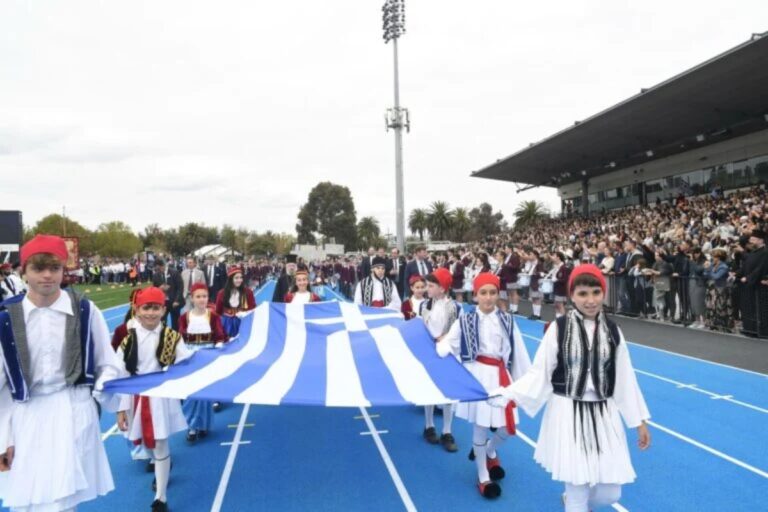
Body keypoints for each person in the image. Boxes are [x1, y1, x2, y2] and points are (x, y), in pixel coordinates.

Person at [491, 264, 651, 512]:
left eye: (596, 292)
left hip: (604, 413)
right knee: (577, 489)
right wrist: (508, 394)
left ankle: (575, 502)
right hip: (568, 412)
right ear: (572, 295)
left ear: (603, 293)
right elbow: (540, 372)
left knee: (611, 493)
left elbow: (624, 378)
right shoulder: (559, 327)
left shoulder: (613, 330)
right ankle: (574, 503)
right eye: (583, 294)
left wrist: (638, 420)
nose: (590, 300)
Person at [0, 234, 124, 511]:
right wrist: (3, 439)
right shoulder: (7, 318)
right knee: (27, 503)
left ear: (63, 271)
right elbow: (3, 385)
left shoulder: (84, 309)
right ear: (24, 272)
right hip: (26, 416)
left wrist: (105, 387)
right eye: (38, 268)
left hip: (72, 408)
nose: (47, 276)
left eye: (54, 268)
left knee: (63, 503)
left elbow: (107, 363)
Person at [434, 272, 531, 499]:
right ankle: (482, 474)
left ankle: (488, 450)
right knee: (480, 426)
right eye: (483, 293)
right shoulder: (465, 320)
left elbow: (518, 353)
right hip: (478, 378)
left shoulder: (507, 320)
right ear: (475, 295)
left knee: (507, 427)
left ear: (498, 294)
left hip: (501, 377)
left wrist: (524, 384)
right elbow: (446, 347)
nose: (488, 298)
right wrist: (442, 343)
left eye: (493, 293)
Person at [116, 286, 193, 512]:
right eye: (146, 308)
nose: (150, 313)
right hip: (134, 397)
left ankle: (161, 497)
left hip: (160, 398)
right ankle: (162, 464)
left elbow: (186, 364)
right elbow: (120, 375)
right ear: (137, 310)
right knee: (144, 443)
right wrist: (120, 408)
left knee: (159, 443)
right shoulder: (128, 340)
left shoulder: (172, 337)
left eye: (156, 308)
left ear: (163, 310)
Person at [420, 268, 463, 452]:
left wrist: (444, 338)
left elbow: (457, 330)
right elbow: (421, 325)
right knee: (428, 388)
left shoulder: (454, 307)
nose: (427, 288)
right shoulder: (424, 305)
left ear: (443, 289)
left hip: (447, 352)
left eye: (431, 286)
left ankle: (447, 430)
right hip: (429, 351)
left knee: (447, 392)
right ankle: (429, 426)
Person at [179, 283, 227, 442]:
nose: (201, 300)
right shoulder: (184, 317)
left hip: (207, 356)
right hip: (190, 357)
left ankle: (204, 424)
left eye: (204, 296)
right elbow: (180, 338)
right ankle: (191, 426)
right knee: (190, 393)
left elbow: (220, 335)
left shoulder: (213, 316)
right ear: (192, 299)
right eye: (198, 297)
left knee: (204, 393)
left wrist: (219, 343)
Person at [215, 267, 257, 338]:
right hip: (226, 324)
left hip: (242, 322)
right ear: (231, 279)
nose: (239, 280)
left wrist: (244, 313)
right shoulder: (222, 293)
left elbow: (252, 309)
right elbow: (218, 311)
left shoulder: (247, 292)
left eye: (241, 277)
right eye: (236, 278)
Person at [703, 248, 734, 332]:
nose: (712, 258)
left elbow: (716, 277)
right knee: (712, 307)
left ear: (718, 257)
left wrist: (708, 270)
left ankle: (724, 326)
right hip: (712, 289)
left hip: (721, 290)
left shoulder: (724, 267)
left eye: (714, 256)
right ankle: (714, 325)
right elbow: (705, 274)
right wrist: (708, 269)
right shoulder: (713, 265)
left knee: (721, 308)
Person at [152, 259, 184, 330]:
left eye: (158, 268)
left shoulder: (174, 272)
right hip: (162, 302)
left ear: (162, 266)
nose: (158, 271)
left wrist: (177, 300)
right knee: (161, 321)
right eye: (156, 269)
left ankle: (175, 336)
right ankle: (163, 336)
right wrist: (159, 288)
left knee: (175, 322)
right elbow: (154, 289)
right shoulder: (155, 275)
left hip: (174, 301)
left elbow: (180, 287)